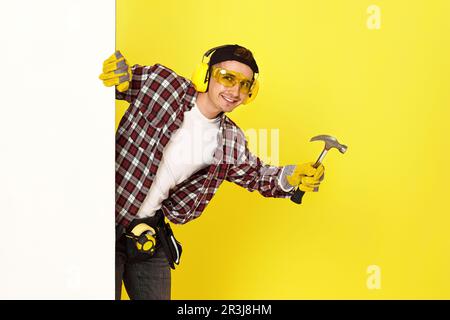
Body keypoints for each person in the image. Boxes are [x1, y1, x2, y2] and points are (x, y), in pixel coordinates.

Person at [99, 44, 325, 300]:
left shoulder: (230, 139)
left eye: (244, 85)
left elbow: (258, 176)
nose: (235, 91)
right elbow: (121, 82)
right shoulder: (163, 85)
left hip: (147, 238)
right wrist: (116, 73)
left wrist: (292, 176)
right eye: (227, 77)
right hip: (103, 227)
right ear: (205, 74)